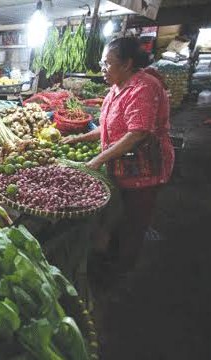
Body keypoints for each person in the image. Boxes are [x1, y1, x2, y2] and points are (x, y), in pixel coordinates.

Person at [63, 37, 174, 271]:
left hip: (144, 168)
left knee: (134, 220)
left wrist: (96, 160)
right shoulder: (117, 87)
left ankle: (122, 271)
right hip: (121, 165)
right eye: (102, 64)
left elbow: (137, 134)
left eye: (107, 64)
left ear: (127, 64)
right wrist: (79, 137)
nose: (102, 69)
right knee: (117, 214)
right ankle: (111, 254)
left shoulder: (143, 88)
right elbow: (109, 127)